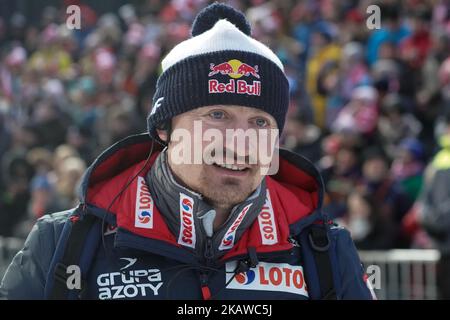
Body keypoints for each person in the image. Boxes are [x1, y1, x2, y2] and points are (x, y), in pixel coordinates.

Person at [0, 3, 374, 300]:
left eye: (260, 122)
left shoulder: (323, 248)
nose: (241, 141)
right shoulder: (64, 243)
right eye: (217, 114)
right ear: (164, 127)